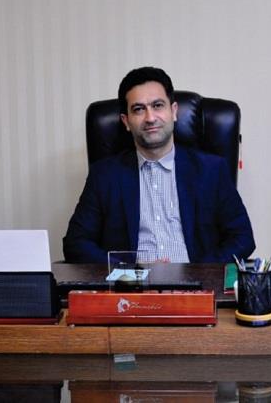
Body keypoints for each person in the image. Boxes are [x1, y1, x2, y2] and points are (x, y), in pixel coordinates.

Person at [63, 66, 255, 263]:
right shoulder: (104, 176)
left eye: (157, 105)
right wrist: (132, 270)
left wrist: (195, 273)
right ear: (126, 121)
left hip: (196, 280)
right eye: (139, 109)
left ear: (174, 111)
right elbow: (75, 243)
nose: (150, 118)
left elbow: (243, 238)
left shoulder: (211, 170)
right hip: (132, 281)